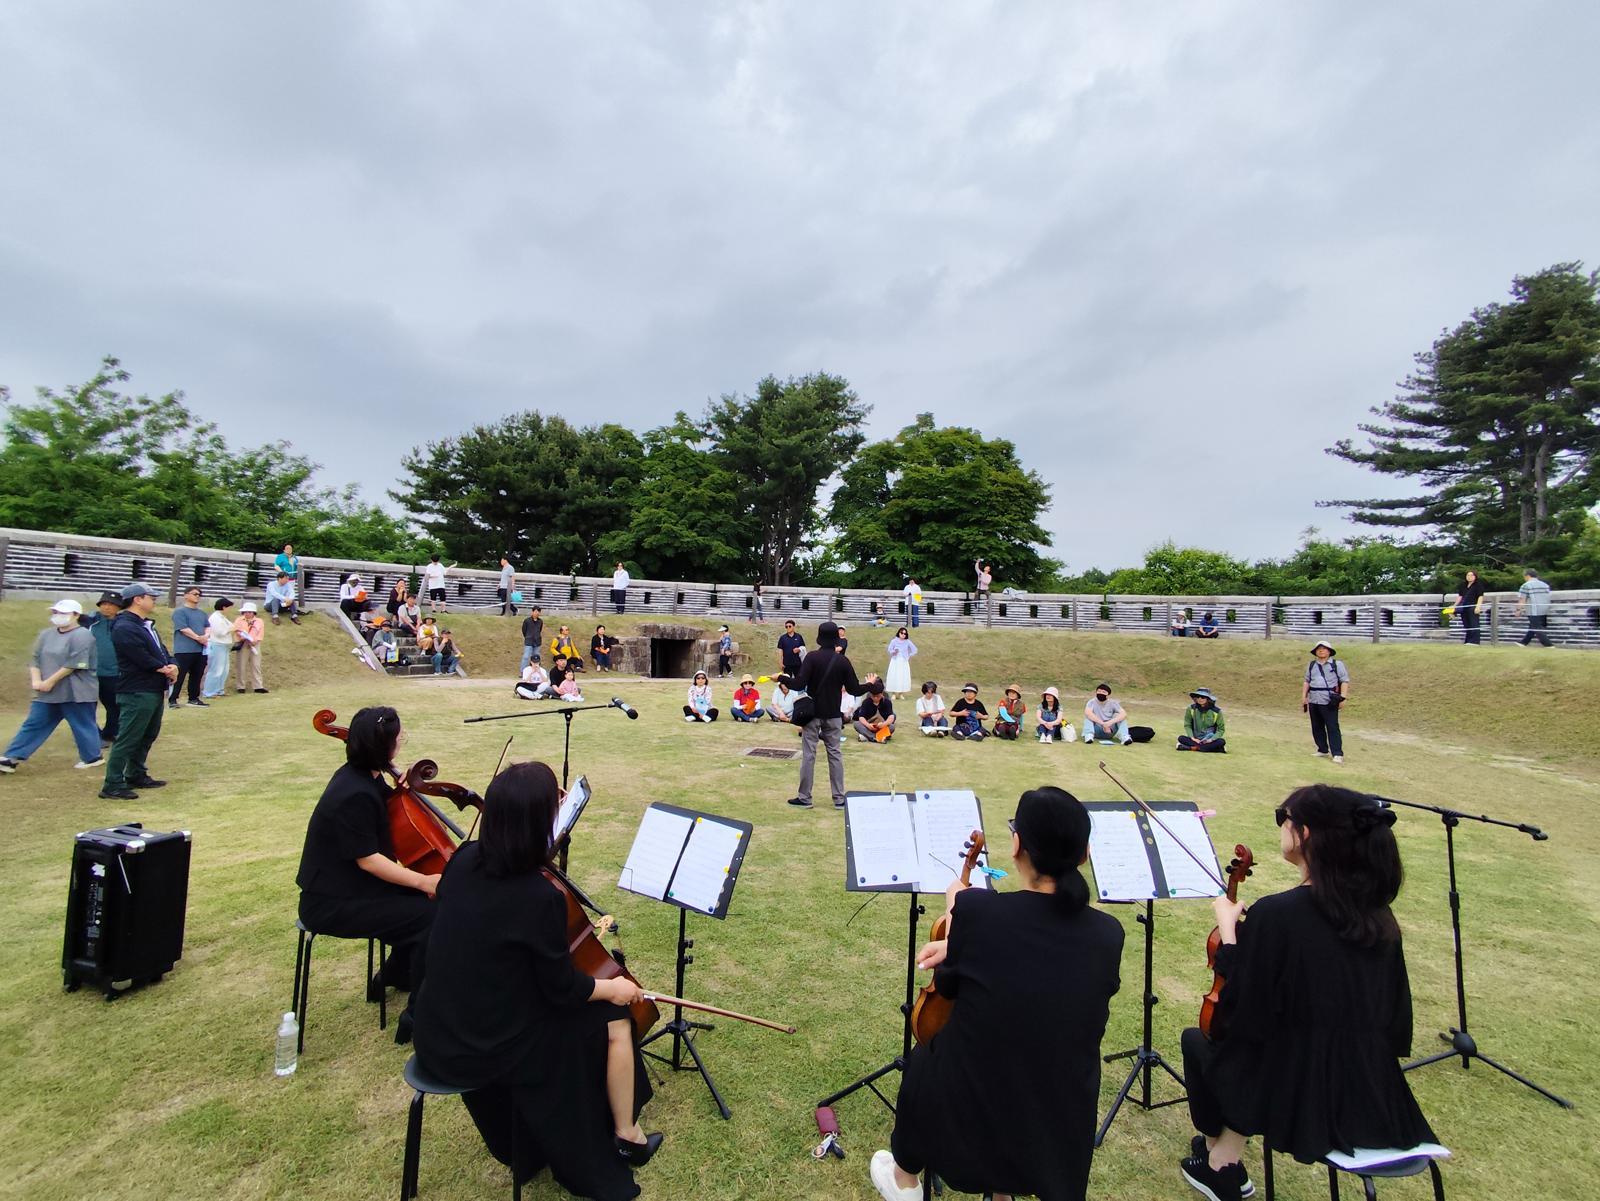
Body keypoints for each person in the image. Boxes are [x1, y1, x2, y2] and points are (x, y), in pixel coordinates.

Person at [412, 761, 660, 1201]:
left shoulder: (465, 858)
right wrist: (614, 988)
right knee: (614, 1016)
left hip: (436, 1030)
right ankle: (627, 1134)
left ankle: (556, 1136)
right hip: (483, 1045)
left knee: (580, 1017)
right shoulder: (536, 895)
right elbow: (562, 989)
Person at [1177, 785, 1436, 1201]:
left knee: (1204, 1042)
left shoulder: (1278, 915)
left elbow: (1241, 1014)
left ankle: (1219, 1161)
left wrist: (1229, 936)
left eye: (1286, 818)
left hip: (1300, 1091)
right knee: (1258, 1047)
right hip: (1370, 1084)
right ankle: (1219, 1157)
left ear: (1306, 834)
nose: (1281, 825)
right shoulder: (1378, 915)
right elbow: (1394, 1015)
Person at [869, 786, 1123, 1201]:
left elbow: (950, 985)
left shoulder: (981, 913)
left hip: (982, 1097)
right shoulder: (1108, 934)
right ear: (1083, 855)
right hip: (1062, 1102)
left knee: (927, 1056)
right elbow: (1041, 964)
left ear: (1018, 844)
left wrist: (957, 909)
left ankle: (904, 1180)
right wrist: (960, 941)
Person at [297, 706, 438, 1013]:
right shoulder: (353, 793)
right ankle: (419, 1014)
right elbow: (369, 860)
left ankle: (396, 974)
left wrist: (399, 788)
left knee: (430, 905)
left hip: (357, 887)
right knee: (432, 917)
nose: (402, 741)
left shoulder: (365, 775)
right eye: (399, 738)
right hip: (332, 901)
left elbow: (382, 811)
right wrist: (424, 880)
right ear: (383, 747)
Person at [0, 599, 103, 776]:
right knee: (34, 723)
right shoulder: (46, 634)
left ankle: (92, 757)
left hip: (76, 691)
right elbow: (35, 658)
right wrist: (37, 680)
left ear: (76, 615)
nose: (58, 617)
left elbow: (74, 663)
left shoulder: (83, 635)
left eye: (63, 613)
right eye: (56, 613)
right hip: (48, 693)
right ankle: (11, 757)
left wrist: (50, 681)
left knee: (83, 724)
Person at [101, 583, 177, 801]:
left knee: (147, 734)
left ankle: (136, 773)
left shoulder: (145, 625)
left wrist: (172, 664)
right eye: (150, 597)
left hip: (152, 686)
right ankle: (113, 783)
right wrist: (162, 668)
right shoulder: (125, 626)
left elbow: (160, 650)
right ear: (137, 599)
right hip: (136, 688)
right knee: (128, 736)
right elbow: (137, 654)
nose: (154, 601)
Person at [787, 621, 871, 809]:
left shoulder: (812, 658)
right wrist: (871, 684)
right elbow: (854, 689)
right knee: (835, 754)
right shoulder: (842, 661)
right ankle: (839, 798)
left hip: (813, 713)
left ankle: (805, 797)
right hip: (833, 714)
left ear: (819, 637)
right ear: (836, 639)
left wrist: (782, 678)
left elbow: (799, 684)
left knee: (809, 755)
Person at [82, 591, 123, 747]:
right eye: (104, 604)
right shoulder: (90, 622)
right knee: (87, 706)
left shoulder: (122, 623)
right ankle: (93, 735)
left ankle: (110, 733)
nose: (106, 607)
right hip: (91, 672)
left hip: (114, 672)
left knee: (114, 705)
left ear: (118, 607)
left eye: (111, 605)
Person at [1303, 641, 1350, 764]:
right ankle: (1322, 749)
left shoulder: (1336, 664)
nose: (1321, 651)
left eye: (1324, 649)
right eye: (1319, 649)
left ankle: (1337, 753)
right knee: (1317, 726)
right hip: (1314, 698)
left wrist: (1343, 698)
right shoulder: (1311, 665)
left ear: (1329, 651)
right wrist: (1304, 697)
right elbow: (1307, 681)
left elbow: (1344, 681)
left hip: (1329, 699)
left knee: (1332, 726)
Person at [168, 585, 210, 709]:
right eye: (194, 594)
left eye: (198, 594)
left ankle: (193, 698)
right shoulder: (180, 612)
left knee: (197, 675)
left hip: (200, 649)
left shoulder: (202, 613)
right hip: (184, 649)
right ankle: (172, 699)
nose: (197, 596)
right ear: (186, 595)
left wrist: (206, 636)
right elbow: (183, 628)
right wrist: (198, 637)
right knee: (179, 675)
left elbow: (208, 626)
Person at [202, 598, 235, 699]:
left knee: (224, 669)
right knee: (216, 669)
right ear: (224, 607)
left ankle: (219, 689)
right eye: (229, 607)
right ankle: (209, 691)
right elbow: (219, 632)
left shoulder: (223, 617)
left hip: (225, 645)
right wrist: (231, 629)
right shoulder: (215, 618)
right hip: (217, 644)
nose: (229, 610)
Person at [232, 602, 267, 693]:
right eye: (245, 612)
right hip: (243, 643)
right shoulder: (239, 620)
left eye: (249, 612)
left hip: (255, 644)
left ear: (253, 612)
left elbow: (260, 633)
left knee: (256, 665)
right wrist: (243, 637)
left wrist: (256, 641)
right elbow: (236, 630)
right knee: (241, 665)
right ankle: (240, 686)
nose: (247, 613)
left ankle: (258, 686)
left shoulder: (259, 621)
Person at [1177, 688, 1226, 753]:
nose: (1200, 699)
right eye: (1197, 697)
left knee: (1221, 741)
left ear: (1208, 699)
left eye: (1203, 697)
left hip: (1209, 739)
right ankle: (1215, 749)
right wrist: (1192, 738)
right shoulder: (1190, 709)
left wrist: (1211, 739)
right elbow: (1187, 725)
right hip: (1195, 739)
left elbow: (1221, 729)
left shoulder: (1217, 712)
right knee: (1181, 738)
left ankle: (1191, 748)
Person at [1516, 568, 1553, 646]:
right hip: (1544, 609)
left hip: (1533, 610)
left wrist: (1518, 610)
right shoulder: (1545, 585)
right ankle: (1523, 642)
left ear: (1527, 576)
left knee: (1537, 627)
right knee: (1533, 626)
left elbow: (1522, 599)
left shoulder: (1526, 585)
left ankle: (1549, 645)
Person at [1455, 569, 1487, 644]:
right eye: (1468, 575)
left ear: (1475, 576)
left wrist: (1478, 607)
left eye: (1471, 575)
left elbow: (1480, 596)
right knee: (1467, 625)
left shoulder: (1478, 585)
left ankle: (1475, 641)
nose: (1469, 577)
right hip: (1464, 607)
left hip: (1473, 606)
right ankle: (1468, 641)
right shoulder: (1463, 585)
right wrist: (1454, 606)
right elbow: (1460, 596)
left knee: (1474, 624)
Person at [885, 627, 917, 699]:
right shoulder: (894, 641)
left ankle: (901, 693)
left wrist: (909, 655)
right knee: (894, 676)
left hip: (903, 661)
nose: (903, 635)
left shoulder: (907, 641)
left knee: (903, 676)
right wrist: (894, 652)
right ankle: (893, 693)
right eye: (901, 633)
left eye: (905, 634)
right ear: (899, 633)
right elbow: (889, 649)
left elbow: (914, 649)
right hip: (895, 661)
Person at [521, 606, 545, 674]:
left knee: (536, 657)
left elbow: (540, 630)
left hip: (537, 641)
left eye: (538, 612)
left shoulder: (540, 621)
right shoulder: (527, 620)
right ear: (532, 612)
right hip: (529, 641)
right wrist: (527, 636)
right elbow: (524, 630)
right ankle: (523, 671)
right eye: (535, 611)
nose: (537, 613)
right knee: (526, 656)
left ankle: (535, 671)